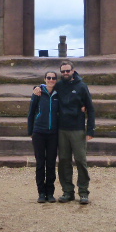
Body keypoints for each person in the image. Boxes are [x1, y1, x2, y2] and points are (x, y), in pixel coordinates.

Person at [34, 60, 95, 205]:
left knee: (80, 160)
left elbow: (91, 108)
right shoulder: (59, 85)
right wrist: (36, 87)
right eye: (63, 71)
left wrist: (90, 129)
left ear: (73, 71)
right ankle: (68, 191)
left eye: (68, 70)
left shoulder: (82, 86)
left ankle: (83, 192)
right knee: (64, 161)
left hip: (77, 129)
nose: (66, 73)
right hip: (61, 129)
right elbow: (46, 86)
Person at [27, 71, 60, 203]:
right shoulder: (38, 93)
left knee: (51, 163)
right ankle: (41, 192)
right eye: (48, 78)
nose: (51, 80)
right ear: (45, 79)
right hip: (39, 132)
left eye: (53, 78)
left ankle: (50, 192)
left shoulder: (59, 93)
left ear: (56, 80)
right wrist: (31, 131)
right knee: (40, 163)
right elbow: (31, 113)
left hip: (53, 133)